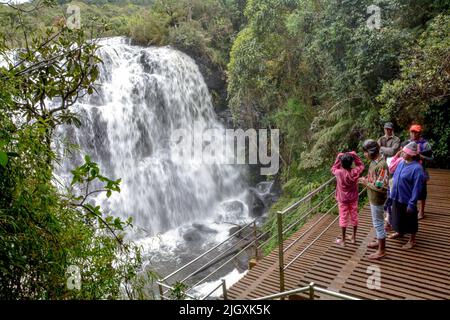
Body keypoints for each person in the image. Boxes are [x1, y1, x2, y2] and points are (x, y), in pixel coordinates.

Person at [388, 142, 424, 249]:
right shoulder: (401, 162)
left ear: (412, 154)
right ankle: (400, 232)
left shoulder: (417, 169)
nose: (402, 153)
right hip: (396, 196)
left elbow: (417, 188)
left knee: (410, 219)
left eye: (405, 152)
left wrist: (412, 203)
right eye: (403, 151)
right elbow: (392, 171)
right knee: (398, 216)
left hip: (408, 199)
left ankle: (412, 240)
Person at [359, 140, 389, 260]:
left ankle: (382, 250)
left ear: (371, 152)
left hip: (377, 199)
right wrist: (366, 180)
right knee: (377, 222)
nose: (365, 155)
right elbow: (374, 180)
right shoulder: (373, 163)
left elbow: (382, 187)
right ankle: (378, 240)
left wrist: (367, 184)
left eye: (365, 152)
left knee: (379, 223)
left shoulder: (382, 165)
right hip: (372, 197)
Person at [331, 151, 365, 246]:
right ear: (351, 163)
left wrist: (339, 156)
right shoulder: (355, 172)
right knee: (354, 217)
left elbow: (333, 168)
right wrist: (354, 155)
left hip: (342, 200)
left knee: (343, 218)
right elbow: (361, 165)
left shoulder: (338, 172)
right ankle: (353, 237)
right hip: (353, 198)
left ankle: (343, 240)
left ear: (341, 163)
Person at [408, 125, 433, 220]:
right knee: (410, 190)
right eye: (412, 132)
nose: (413, 134)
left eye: (416, 132)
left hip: (421, 171)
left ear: (419, 133)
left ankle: (421, 211)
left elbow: (432, 158)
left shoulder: (425, 144)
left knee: (422, 192)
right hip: (410, 170)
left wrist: (422, 157)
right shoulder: (409, 143)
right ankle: (411, 208)